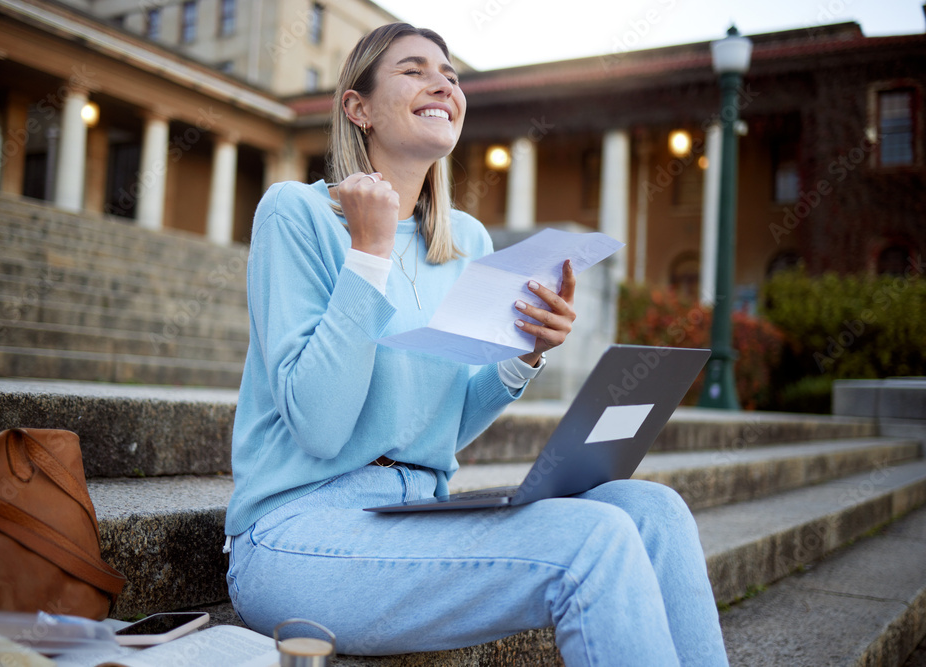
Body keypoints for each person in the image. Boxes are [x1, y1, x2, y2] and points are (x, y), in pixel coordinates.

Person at [224, 22, 729, 667]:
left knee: (654, 510)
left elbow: (442, 426)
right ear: (358, 108)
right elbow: (320, 429)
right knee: (592, 541)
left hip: (415, 516)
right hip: (298, 536)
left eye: (452, 75)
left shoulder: (467, 243)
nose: (444, 83)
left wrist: (524, 356)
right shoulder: (295, 214)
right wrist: (369, 254)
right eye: (414, 70)